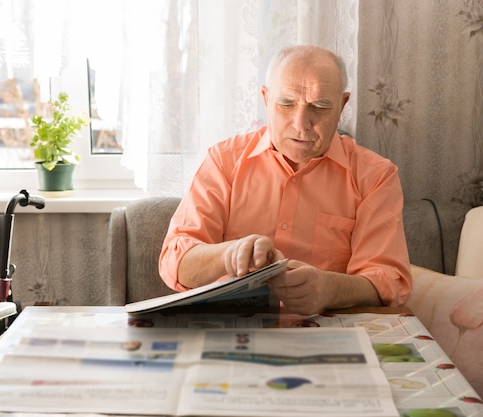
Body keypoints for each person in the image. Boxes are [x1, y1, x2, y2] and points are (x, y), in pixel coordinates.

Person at [158, 45, 412, 315]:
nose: (301, 123)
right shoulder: (224, 161)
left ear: (342, 105)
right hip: (230, 330)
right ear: (266, 99)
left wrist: (330, 289)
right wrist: (229, 255)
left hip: (325, 333)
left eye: (321, 105)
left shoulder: (375, 177)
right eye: (286, 104)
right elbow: (176, 261)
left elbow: (388, 281)